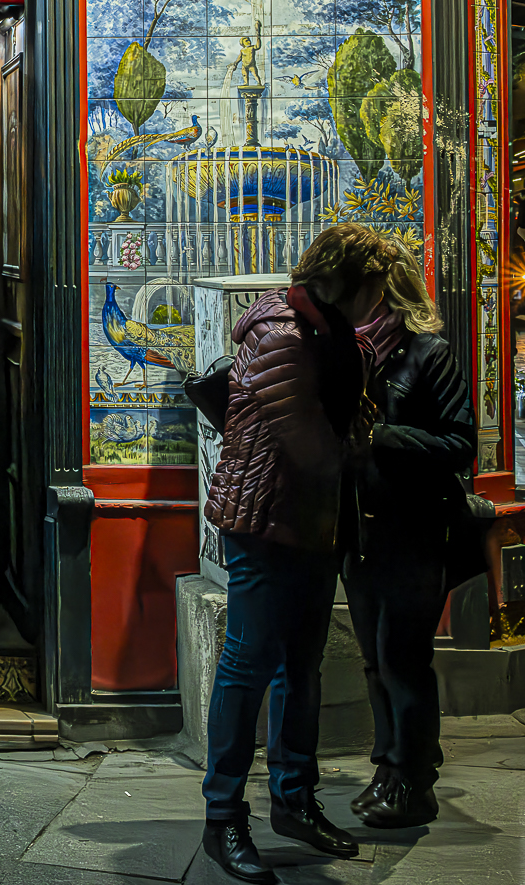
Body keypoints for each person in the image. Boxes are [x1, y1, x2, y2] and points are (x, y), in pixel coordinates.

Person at [201, 222, 405, 884]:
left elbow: (352, 416)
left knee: (301, 668)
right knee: (247, 665)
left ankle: (294, 800)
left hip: (315, 523)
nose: (382, 299)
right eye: (375, 286)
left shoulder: (334, 331)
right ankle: (222, 817)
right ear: (343, 282)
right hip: (265, 520)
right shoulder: (282, 337)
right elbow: (316, 447)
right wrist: (366, 434)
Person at [343, 248, 485, 831]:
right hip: (359, 532)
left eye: (354, 288)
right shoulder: (348, 352)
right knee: (375, 662)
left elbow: (461, 443)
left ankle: (414, 780)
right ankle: (391, 767)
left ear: (383, 292)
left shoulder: (429, 353)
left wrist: (385, 437)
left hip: (417, 531)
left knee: (403, 658)